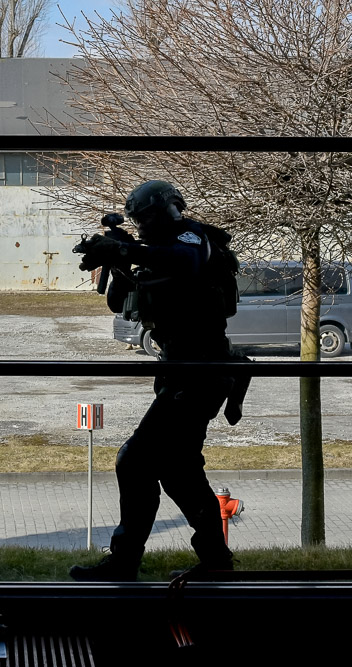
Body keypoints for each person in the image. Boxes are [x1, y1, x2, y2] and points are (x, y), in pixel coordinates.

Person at [69, 180, 242, 581]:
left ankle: (125, 560)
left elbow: (186, 261)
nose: (143, 226)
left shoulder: (190, 238)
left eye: (147, 217)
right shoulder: (155, 252)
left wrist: (125, 250)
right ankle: (215, 559)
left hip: (200, 372)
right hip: (184, 372)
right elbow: (120, 302)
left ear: (169, 209)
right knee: (180, 470)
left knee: (134, 461)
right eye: (137, 221)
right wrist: (117, 261)